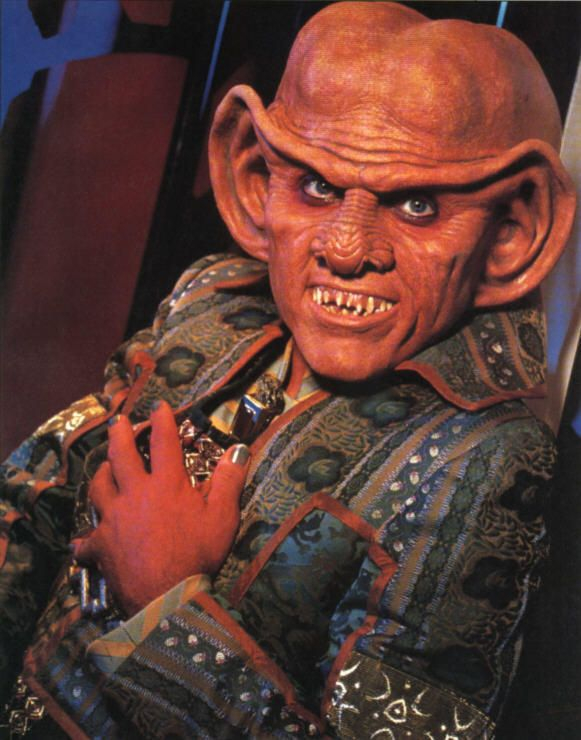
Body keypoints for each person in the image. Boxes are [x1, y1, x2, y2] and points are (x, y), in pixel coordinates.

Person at [0, 3, 576, 738]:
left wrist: (163, 603)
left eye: (417, 205)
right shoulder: (213, 298)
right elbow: (42, 490)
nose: (346, 248)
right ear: (251, 177)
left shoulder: (482, 459)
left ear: (514, 230)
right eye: (317, 188)